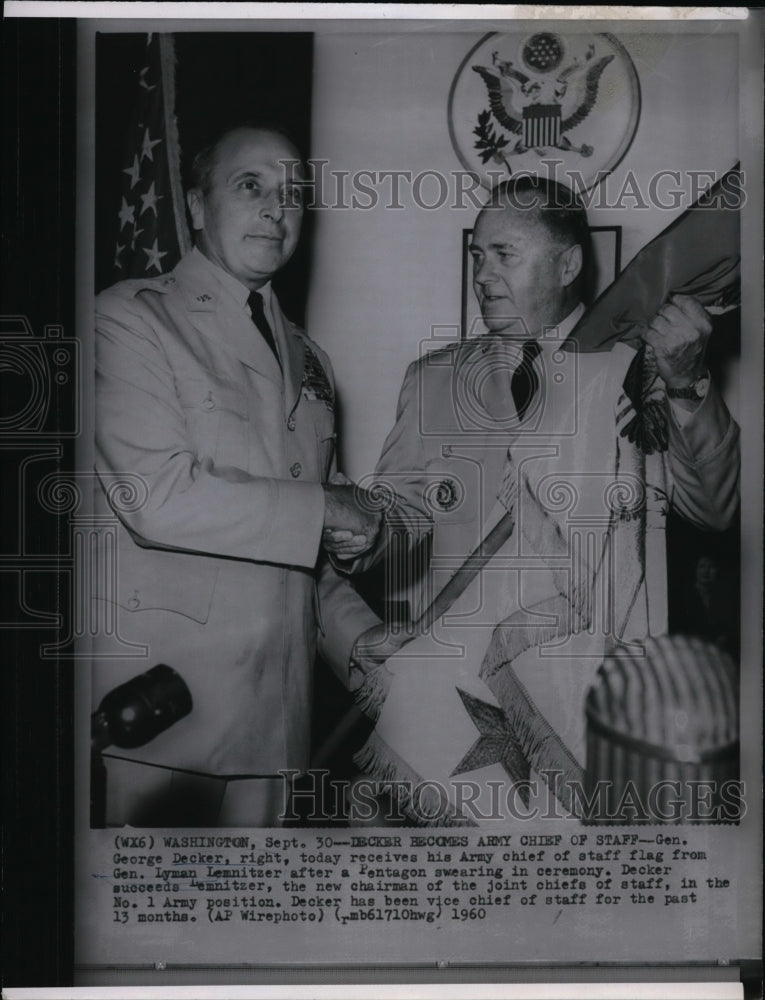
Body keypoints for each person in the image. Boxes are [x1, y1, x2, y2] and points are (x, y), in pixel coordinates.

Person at [329, 176, 740, 823]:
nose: (482, 274)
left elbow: (712, 508)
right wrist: (359, 530)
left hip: (592, 715)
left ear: (568, 263)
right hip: (457, 721)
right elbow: (399, 515)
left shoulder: (639, 372)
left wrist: (687, 385)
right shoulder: (434, 380)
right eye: (476, 257)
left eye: (503, 255)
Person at [91, 125, 381, 827]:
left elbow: (302, 557)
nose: (275, 210)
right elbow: (155, 499)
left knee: (251, 936)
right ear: (195, 206)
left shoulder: (310, 360)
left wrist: (367, 646)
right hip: (168, 726)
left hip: (280, 730)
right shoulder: (127, 320)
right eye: (250, 187)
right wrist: (331, 511)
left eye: (292, 195)